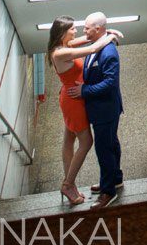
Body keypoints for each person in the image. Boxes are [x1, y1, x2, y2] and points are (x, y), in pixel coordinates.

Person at [47, 16, 124, 207]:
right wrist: (109, 36)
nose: (77, 31)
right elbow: (91, 48)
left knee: (69, 140)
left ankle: (70, 183)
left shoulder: (66, 43)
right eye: (73, 28)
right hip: (73, 100)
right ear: (63, 32)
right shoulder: (59, 53)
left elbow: (90, 39)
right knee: (87, 141)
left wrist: (108, 32)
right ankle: (68, 184)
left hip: (73, 95)